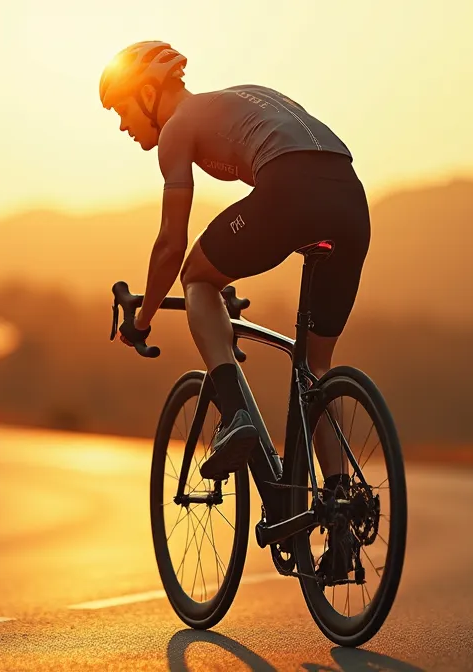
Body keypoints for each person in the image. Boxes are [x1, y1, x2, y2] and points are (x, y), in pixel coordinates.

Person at [103, 41, 371, 489]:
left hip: (291, 189)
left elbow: (171, 243)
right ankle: (340, 503)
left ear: (148, 93)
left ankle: (235, 414)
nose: (121, 125)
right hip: (351, 199)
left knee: (195, 278)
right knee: (316, 369)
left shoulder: (176, 128)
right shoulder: (241, 96)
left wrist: (143, 320)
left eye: (121, 108)